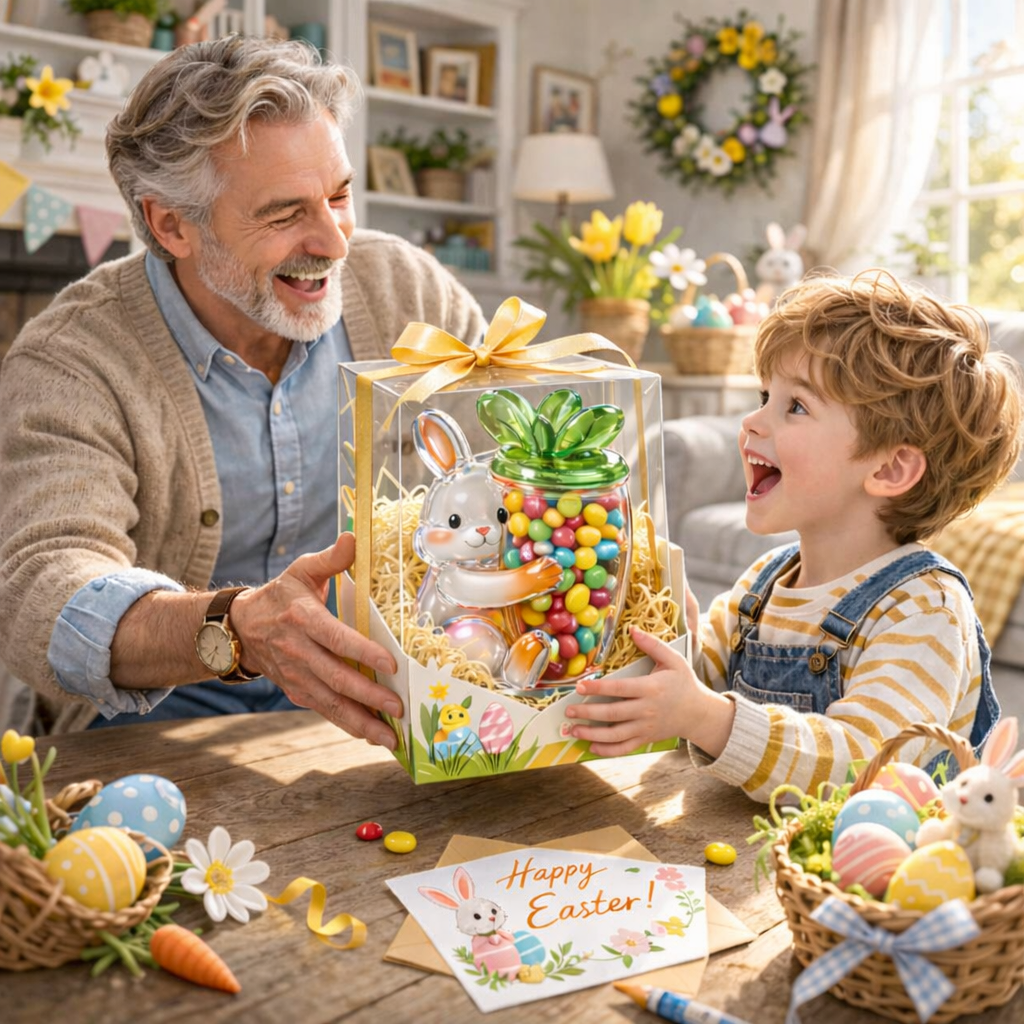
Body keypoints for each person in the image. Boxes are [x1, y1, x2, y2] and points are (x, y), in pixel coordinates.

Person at [0, 37, 487, 741]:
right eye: (286, 213)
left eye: (340, 195)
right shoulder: (72, 360)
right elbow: (38, 591)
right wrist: (236, 630)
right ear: (172, 224)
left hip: (378, 701)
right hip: (153, 726)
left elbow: (513, 459)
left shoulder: (406, 289)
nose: (336, 240)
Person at [566, 270, 1024, 799]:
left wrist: (706, 717)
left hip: (865, 874)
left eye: (796, 406)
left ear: (890, 470)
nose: (751, 423)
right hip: (748, 856)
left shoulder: (925, 612)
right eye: (764, 395)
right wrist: (676, 640)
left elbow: (864, 764)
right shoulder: (765, 581)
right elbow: (699, 686)